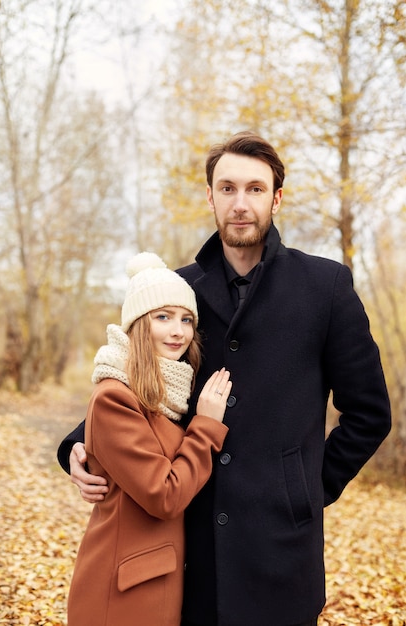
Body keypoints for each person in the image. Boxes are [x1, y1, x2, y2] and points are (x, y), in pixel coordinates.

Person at [58, 131, 391, 626]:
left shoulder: (325, 287)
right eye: (228, 188)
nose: (241, 203)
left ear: (276, 197)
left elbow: (369, 413)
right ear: (209, 196)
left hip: (281, 552)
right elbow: (131, 380)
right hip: (187, 547)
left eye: (255, 189)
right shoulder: (174, 291)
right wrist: (77, 449)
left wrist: (305, 488)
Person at [65, 251, 231, 626]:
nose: (178, 331)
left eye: (186, 319)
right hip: (123, 591)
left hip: (156, 584)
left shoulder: (168, 394)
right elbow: (165, 495)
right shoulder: (115, 396)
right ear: (139, 324)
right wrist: (204, 427)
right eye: (163, 317)